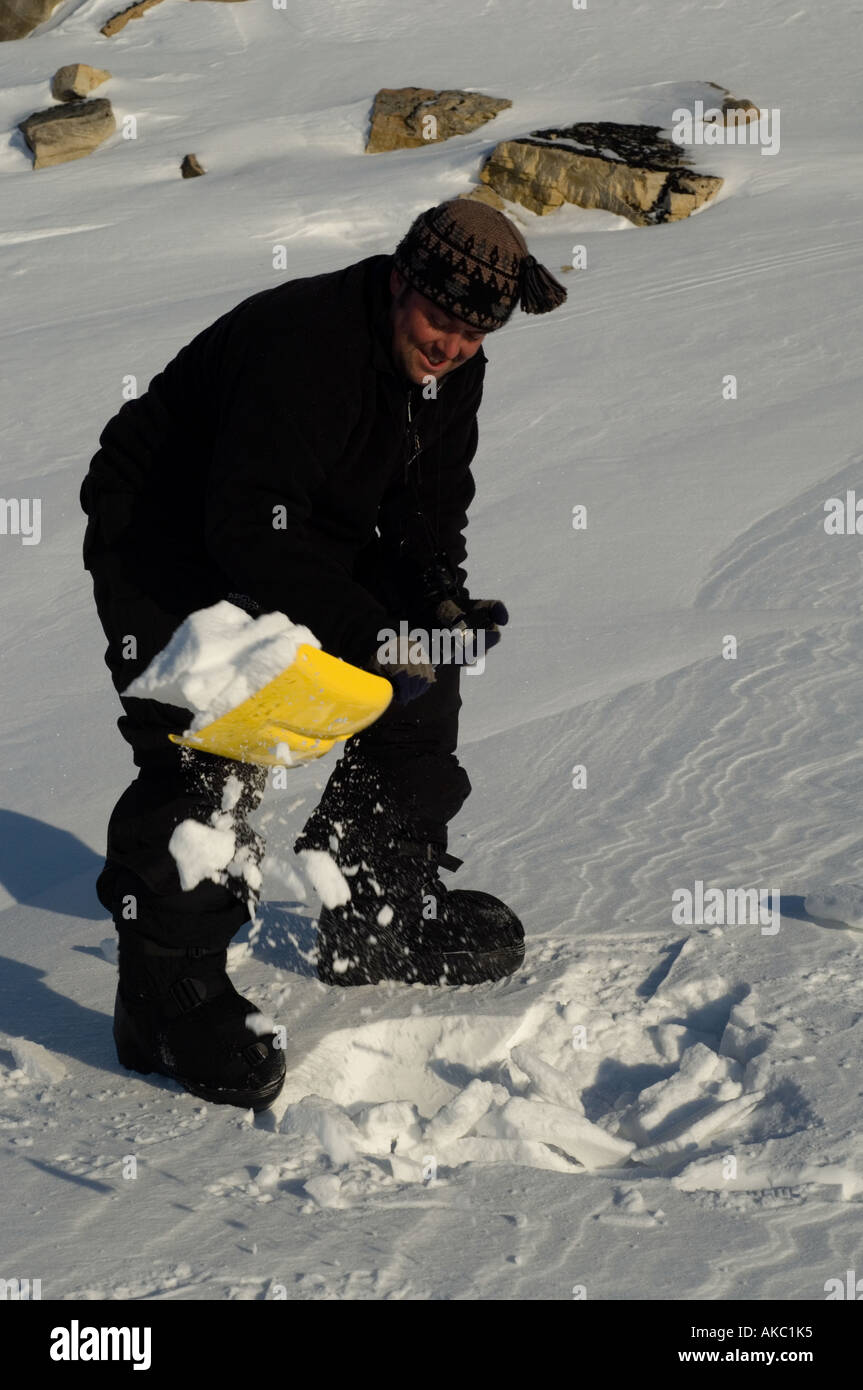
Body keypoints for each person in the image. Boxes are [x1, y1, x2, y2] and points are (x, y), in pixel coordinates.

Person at [79, 197, 567, 1111]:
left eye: (474, 331)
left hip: (296, 524)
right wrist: (361, 628)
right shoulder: (303, 343)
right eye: (442, 320)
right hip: (165, 527)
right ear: (400, 283)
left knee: (423, 659)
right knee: (207, 717)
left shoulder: (448, 369)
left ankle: (376, 909)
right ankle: (165, 999)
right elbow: (246, 527)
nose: (453, 345)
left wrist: (435, 602)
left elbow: (426, 511)